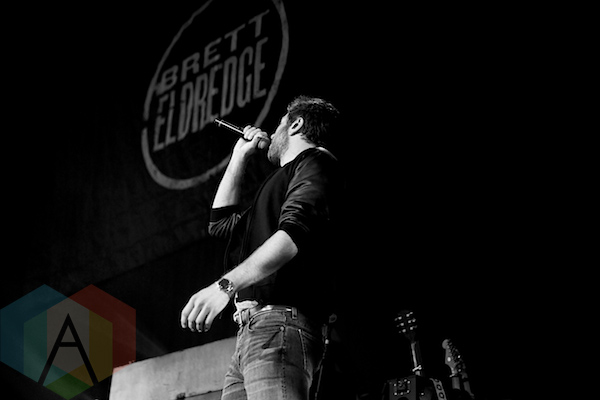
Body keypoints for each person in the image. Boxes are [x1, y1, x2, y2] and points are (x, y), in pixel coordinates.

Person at [180, 95, 344, 400]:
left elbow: (293, 235)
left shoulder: (315, 162)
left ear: (295, 124)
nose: (273, 131)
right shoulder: (279, 184)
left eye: (280, 123)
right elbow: (220, 223)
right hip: (252, 332)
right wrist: (239, 156)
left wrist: (224, 286)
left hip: (280, 325)